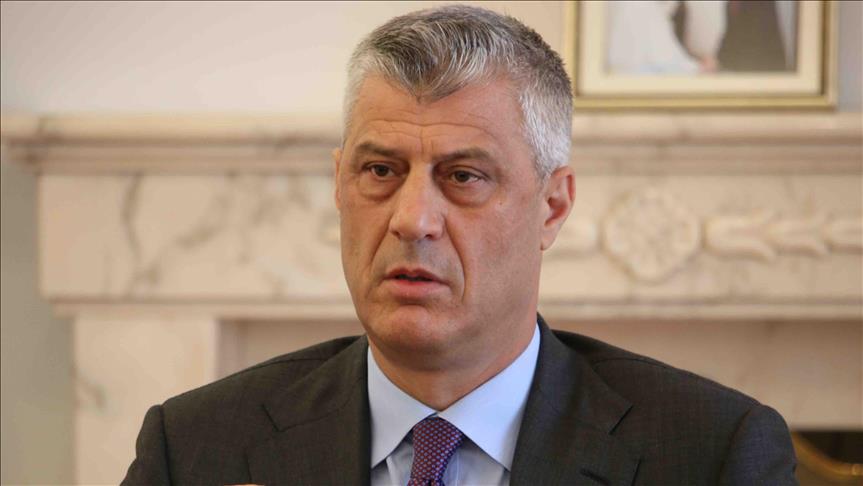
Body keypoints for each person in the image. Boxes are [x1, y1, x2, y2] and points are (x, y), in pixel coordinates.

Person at [122, 5, 797, 485]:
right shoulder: (197, 447)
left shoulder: (712, 454)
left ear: (553, 206)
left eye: (464, 177)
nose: (412, 219)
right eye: (379, 170)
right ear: (339, 184)